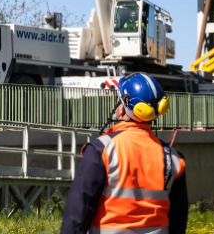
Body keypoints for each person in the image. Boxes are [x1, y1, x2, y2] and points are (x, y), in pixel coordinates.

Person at [61, 73, 188, 234]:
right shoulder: (174, 159)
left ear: (122, 108)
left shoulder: (101, 151)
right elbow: (178, 221)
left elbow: (76, 215)